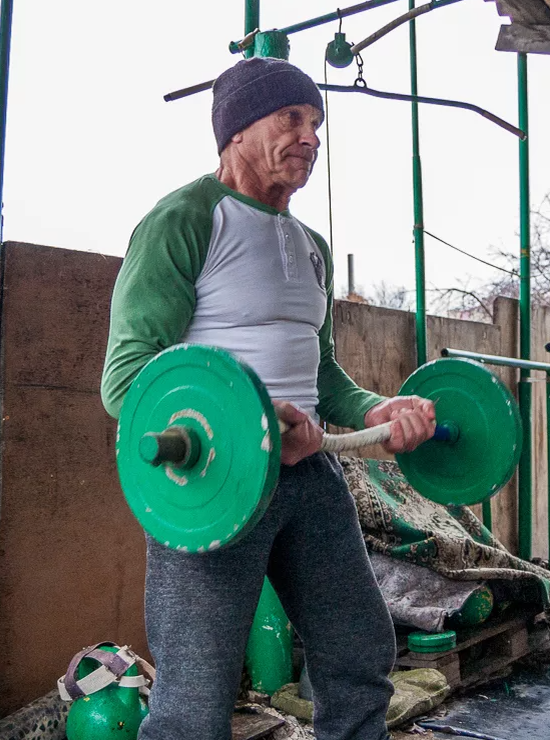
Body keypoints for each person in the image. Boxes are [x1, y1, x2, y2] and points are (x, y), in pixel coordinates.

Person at [101, 57, 436, 740]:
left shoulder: (309, 244)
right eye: (291, 118)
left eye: (316, 123)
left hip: (309, 476)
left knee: (357, 655)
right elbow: (128, 378)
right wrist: (251, 425)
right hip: (214, 483)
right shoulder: (184, 220)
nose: (309, 136)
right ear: (236, 131)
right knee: (194, 701)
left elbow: (321, 375)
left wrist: (376, 410)